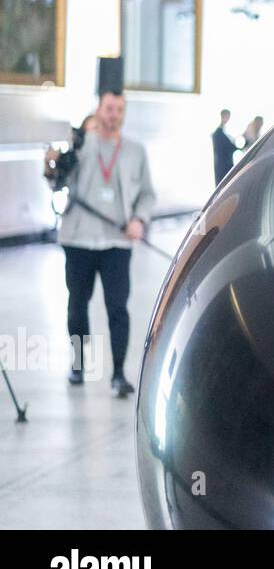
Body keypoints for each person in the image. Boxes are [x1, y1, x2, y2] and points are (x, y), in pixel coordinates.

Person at [43, 90, 156, 398]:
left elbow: (147, 194)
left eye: (119, 109)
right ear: (99, 109)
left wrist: (139, 220)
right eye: (109, 108)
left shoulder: (135, 151)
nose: (113, 114)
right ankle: (78, 363)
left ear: (124, 113)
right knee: (77, 306)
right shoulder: (80, 146)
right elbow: (57, 180)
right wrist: (51, 164)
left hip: (116, 243)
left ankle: (119, 372)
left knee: (118, 307)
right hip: (78, 239)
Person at [212, 109, 238, 185]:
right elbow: (225, 148)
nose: (228, 119)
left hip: (224, 165)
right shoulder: (218, 133)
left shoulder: (223, 132)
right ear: (223, 116)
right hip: (223, 166)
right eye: (227, 116)